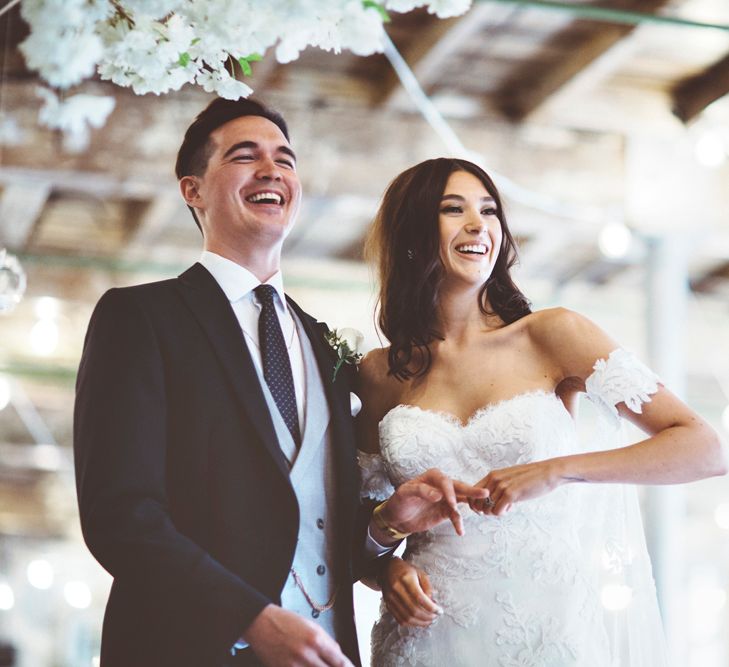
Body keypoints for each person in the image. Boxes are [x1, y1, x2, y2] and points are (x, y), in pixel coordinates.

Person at [73, 101, 488, 667]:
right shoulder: (140, 318)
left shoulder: (324, 346)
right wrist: (248, 617)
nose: (272, 170)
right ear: (192, 190)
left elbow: (314, 521)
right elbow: (120, 516)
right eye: (246, 157)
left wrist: (385, 526)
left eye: (285, 160)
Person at [356, 157, 727, 666]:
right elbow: (349, 532)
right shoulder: (380, 374)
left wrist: (557, 471)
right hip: (426, 638)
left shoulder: (553, 336)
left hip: (548, 631)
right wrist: (385, 569)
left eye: (489, 211)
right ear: (412, 234)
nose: (477, 224)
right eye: (452, 209)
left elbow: (704, 447)